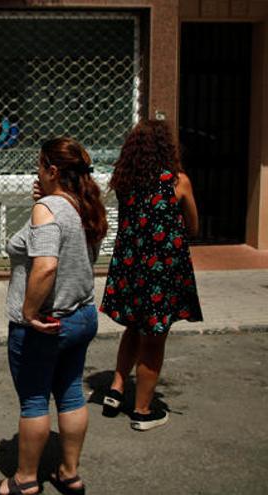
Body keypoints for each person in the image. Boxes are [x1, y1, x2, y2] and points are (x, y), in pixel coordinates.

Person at [0, 138, 107, 495]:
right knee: (70, 392)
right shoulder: (84, 206)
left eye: (40, 165)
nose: (35, 171)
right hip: (82, 315)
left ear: (53, 171)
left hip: (47, 321)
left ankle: (24, 480)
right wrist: (44, 200)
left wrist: (28, 311)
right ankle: (69, 473)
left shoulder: (49, 209)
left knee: (35, 399)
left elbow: (46, 267)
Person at [100, 120, 203, 431]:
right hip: (161, 272)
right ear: (166, 146)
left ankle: (116, 390)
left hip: (130, 268)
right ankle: (142, 410)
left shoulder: (125, 181)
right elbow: (193, 227)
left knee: (133, 327)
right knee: (154, 340)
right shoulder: (176, 182)